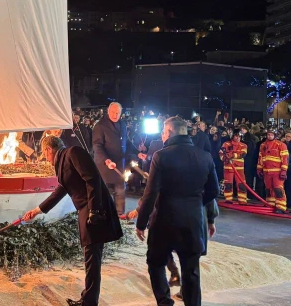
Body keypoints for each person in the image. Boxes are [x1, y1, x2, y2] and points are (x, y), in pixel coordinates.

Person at [22, 135, 123, 306]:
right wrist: (38, 210)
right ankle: (88, 299)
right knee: (91, 256)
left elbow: (92, 179)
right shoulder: (62, 162)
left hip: (94, 210)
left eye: (44, 154)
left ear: (48, 150)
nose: (46, 159)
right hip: (86, 211)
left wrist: (95, 210)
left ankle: (89, 301)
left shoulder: (73, 152)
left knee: (92, 256)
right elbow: (61, 190)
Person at [135, 116, 218, 306]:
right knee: (191, 270)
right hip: (194, 221)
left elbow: (150, 192)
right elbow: (214, 191)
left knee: (156, 263)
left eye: (163, 132)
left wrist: (141, 223)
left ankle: (165, 302)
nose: (162, 136)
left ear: (170, 132)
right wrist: (195, 203)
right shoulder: (204, 156)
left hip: (166, 220)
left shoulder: (161, 156)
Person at [92, 102, 143, 215]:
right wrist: (107, 160)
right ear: (108, 112)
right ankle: (102, 215)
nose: (115, 115)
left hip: (120, 165)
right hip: (104, 165)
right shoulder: (100, 125)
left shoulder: (122, 124)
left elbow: (127, 142)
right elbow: (97, 145)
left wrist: (137, 153)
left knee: (120, 191)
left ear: (121, 113)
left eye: (118, 113)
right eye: (113, 112)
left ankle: (120, 215)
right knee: (102, 192)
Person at [257, 129, 288, 214]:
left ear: (275, 135)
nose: (269, 136)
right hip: (267, 171)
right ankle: (270, 205)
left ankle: (281, 207)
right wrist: (259, 169)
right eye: (268, 134)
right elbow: (260, 158)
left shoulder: (281, 145)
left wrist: (284, 171)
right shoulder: (263, 145)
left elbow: (285, 159)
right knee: (268, 189)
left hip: (277, 172)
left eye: (271, 134)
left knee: (278, 189)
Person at [220, 130, 248, 204]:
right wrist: (225, 158)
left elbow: (243, 154)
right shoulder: (226, 144)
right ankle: (228, 199)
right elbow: (221, 153)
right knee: (228, 184)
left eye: (239, 136)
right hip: (228, 167)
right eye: (236, 136)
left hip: (239, 168)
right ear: (232, 136)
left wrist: (232, 155)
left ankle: (242, 200)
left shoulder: (243, 145)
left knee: (241, 184)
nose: (238, 138)